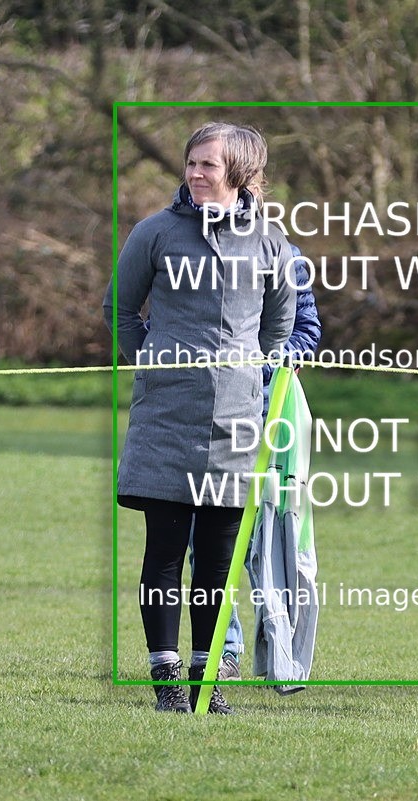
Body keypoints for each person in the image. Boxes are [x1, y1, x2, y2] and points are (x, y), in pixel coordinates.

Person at [104, 121, 296, 714]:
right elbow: (120, 309)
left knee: (217, 561)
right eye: (191, 163)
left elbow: (279, 327)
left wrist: (245, 376)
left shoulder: (270, 243)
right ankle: (165, 683)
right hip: (165, 419)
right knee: (163, 549)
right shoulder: (155, 233)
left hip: (237, 426)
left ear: (240, 172)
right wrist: (156, 363)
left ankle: (206, 683)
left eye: (208, 165)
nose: (195, 173)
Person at [197, 244, 321, 682]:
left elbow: (306, 329)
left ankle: (275, 645)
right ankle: (221, 650)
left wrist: (272, 365)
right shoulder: (187, 248)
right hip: (200, 413)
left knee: (263, 538)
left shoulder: (285, 253)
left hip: (267, 411)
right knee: (204, 538)